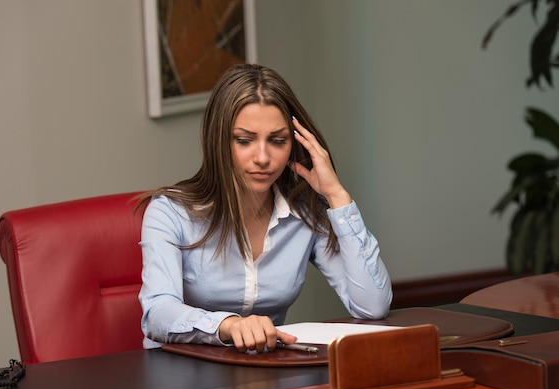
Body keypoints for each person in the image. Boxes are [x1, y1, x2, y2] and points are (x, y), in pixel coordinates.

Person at [137, 63, 392, 353]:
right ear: (218, 141)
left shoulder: (306, 212)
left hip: (265, 373)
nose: (262, 157)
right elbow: (157, 314)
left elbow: (373, 307)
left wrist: (337, 195)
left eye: (277, 140)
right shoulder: (170, 211)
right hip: (182, 380)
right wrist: (229, 326)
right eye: (244, 140)